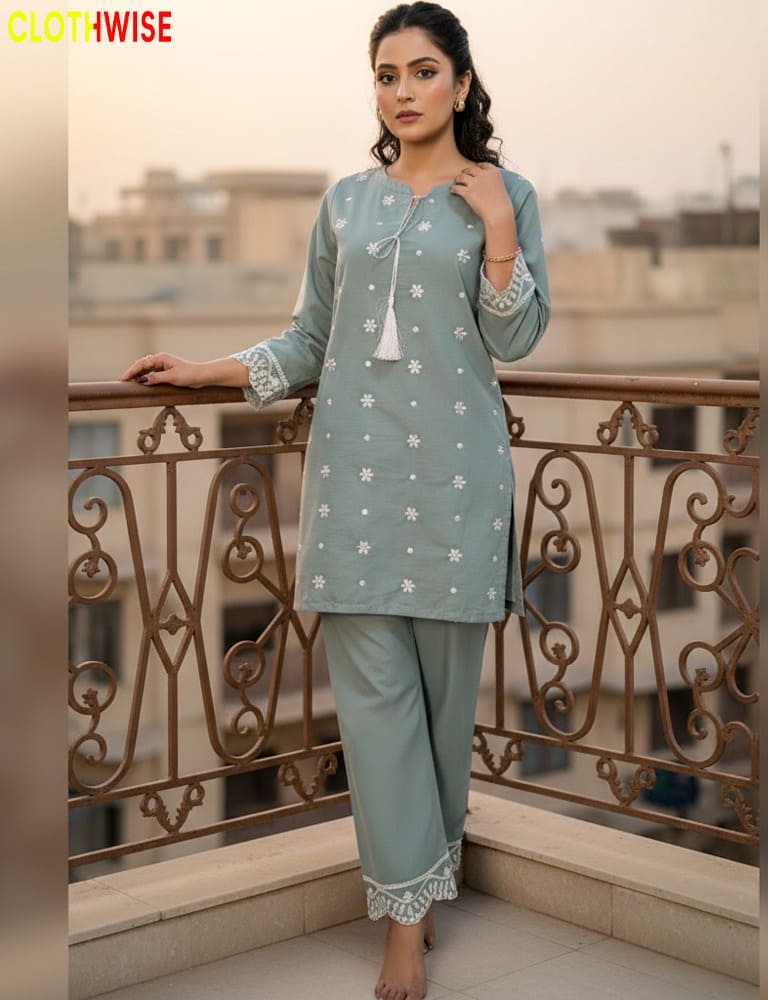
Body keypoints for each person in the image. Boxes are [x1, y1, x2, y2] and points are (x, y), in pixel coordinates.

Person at [120, 3, 550, 997]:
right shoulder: (347, 204)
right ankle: (403, 921)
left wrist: (495, 228)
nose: (403, 91)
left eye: (423, 71)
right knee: (376, 714)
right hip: (355, 481)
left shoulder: (510, 195)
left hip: (458, 486)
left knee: (441, 714)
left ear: (462, 84)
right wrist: (204, 370)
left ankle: (423, 890)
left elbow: (517, 337)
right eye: (386, 75)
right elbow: (311, 336)